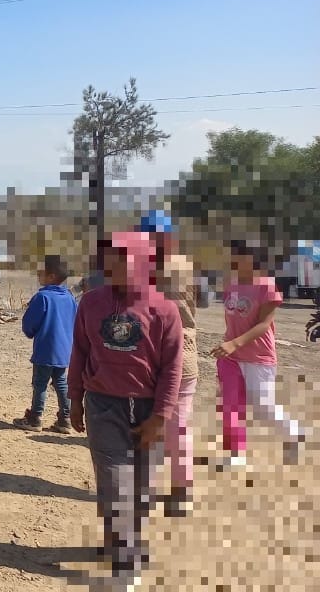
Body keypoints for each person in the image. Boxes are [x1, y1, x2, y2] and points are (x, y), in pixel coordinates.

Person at [69, 232, 182, 588]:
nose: (114, 265)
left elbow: (172, 368)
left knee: (143, 491)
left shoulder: (164, 309)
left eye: (123, 257)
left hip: (150, 407)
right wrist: (74, 399)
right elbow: (80, 352)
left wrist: (161, 417)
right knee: (115, 483)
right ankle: (125, 562)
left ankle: (120, 541)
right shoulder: (90, 303)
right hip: (104, 405)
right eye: (108, 258)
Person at [212, 240, 307, 468]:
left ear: (254, 258)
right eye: (232, 254)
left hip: (258, 357)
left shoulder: (266, 287)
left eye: (240, 254)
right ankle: (235, 454)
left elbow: (264, 324)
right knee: (230, 405)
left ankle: (294, 433)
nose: (234, 259)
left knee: (263, 409)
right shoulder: (231, 285)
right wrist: (229, 345)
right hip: (231, 356)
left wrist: (235, 342)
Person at [137, 211, 200, 516]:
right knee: (178, 428)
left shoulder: (147, 270)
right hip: (187, 354)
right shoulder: (185, 265)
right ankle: (180, 491)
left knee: (152, 427)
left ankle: (146, 492)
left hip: (160, 358)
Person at [13, 255, 77, 434]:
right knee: (61, 382)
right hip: (65, 350)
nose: (38, 276)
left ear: (50, 276)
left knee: (40, 383)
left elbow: (30, 324)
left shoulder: (42, 297)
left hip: (45, 349)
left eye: (41, 273)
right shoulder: (70, 298)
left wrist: (29, 332)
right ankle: (65, 419)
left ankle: (35, 417)